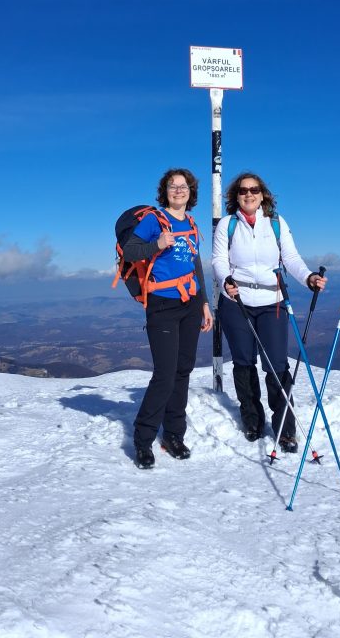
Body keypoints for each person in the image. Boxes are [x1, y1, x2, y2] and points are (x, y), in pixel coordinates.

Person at [212, 172, 326, 451]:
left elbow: (290, 257)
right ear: (236, 196)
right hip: (236, 300)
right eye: (243, 190)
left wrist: (308, 277)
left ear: (262, 194)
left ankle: (285, 428)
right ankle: (252, 420)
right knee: (243, 362)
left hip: (271, 300)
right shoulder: (227, 224)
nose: (248, 194)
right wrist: (226, 281)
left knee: (276, 364)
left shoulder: (276, 223)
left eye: (254, 190)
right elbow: (219, 260)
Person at [123, 167, 213, 469]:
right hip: (162, 304)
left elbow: (195, 265)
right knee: (165, 374)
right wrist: (157, 245)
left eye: (183, 186)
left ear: (191, 191)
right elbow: (130, 252)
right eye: (173, 186)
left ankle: (174, 435)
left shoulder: (191, 223)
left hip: (190, 303)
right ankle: (143, 439)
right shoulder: (154, 220)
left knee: (183, 370)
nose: (178, 190)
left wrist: (204, 303)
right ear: (165, 191)